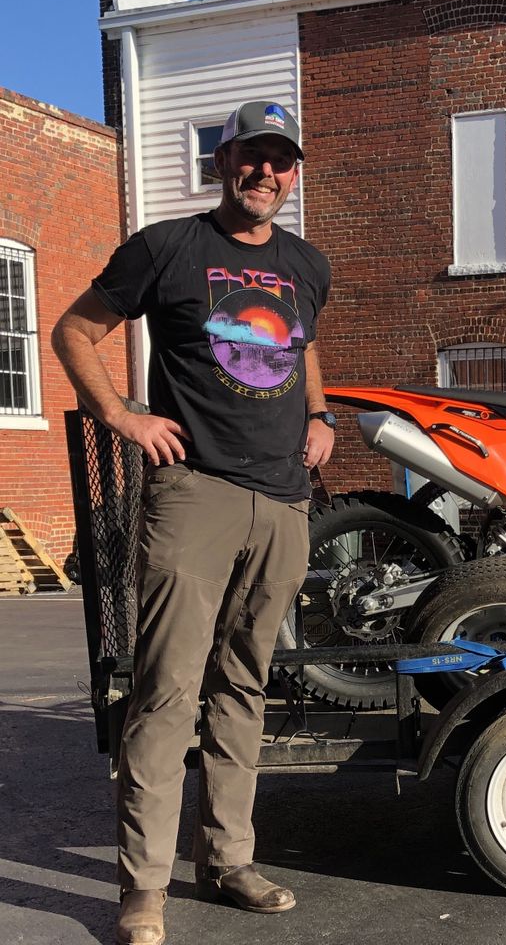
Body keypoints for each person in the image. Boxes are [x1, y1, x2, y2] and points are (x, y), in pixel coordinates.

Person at [52, 101, 335, 945]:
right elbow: (73, 330)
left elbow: (304, 340)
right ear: (224, 162)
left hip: (283, 501)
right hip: (194, 493)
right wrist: (121, 415)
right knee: (166, 693)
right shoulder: (168, 249)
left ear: (292, 171)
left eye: (281, 161)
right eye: (252, 158)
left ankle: (229, 861)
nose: (266, 174)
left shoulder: (306, 263)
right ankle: (143, 890)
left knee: (244, 686)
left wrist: (321, 415)